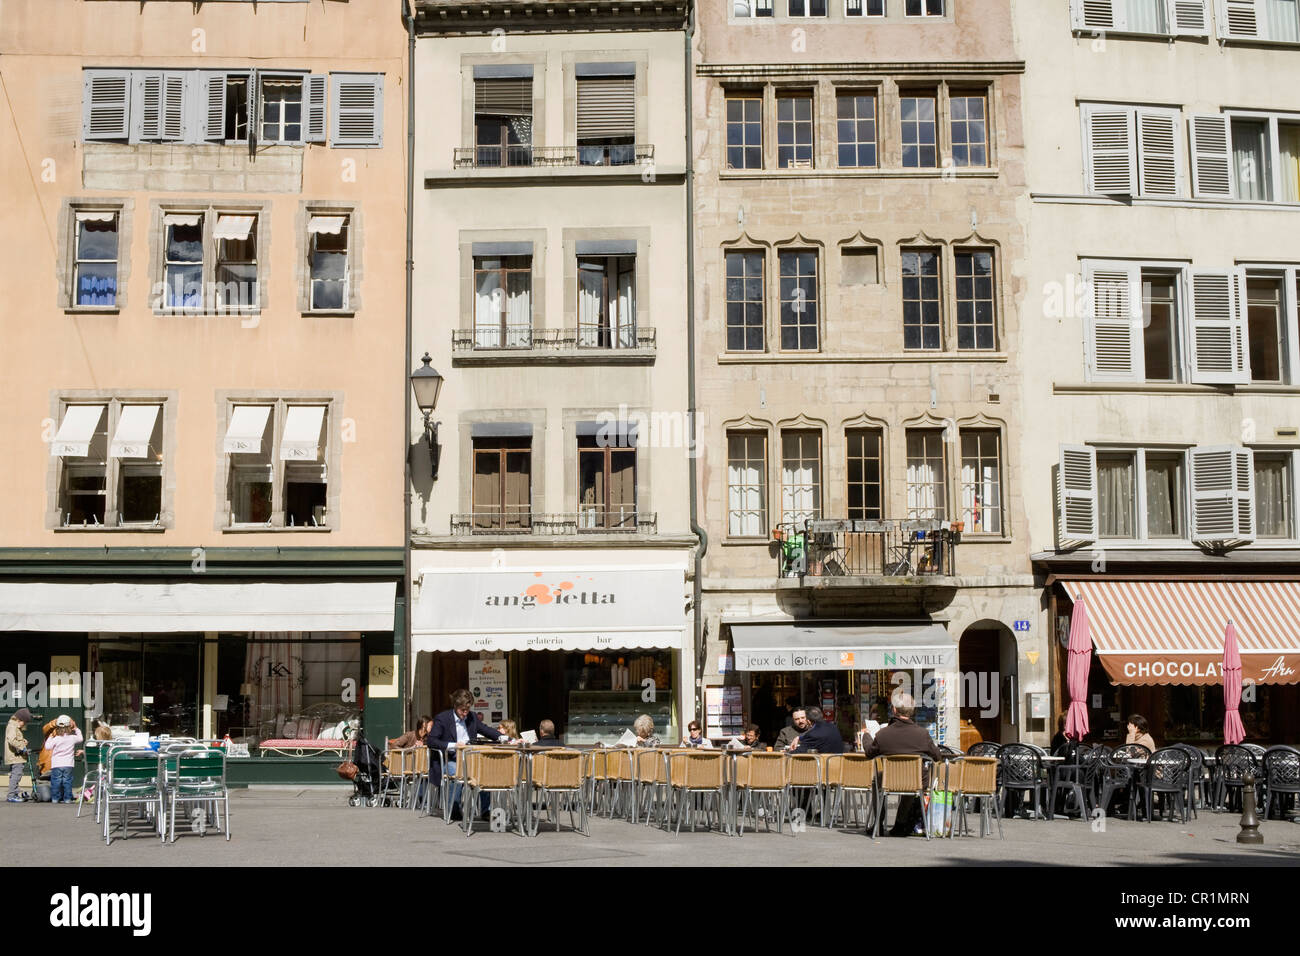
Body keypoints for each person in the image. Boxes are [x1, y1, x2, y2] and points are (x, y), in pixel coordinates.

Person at [863, 693, 941, 836]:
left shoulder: (883, 734)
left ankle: (879, 823)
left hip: (889, 780)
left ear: (894, 710)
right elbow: (937, 756)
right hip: (915, 781)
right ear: (912, 711)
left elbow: (869, 753)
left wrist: (866, 736)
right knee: (913, 780)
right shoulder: (922, 734)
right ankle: (900, 823)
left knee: (877, 781)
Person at [427, 690, 504, 820]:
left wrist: (506, 738)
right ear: (455, 707)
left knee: (484, 772)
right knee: (455, 770)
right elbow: (432, 741)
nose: (465, 713)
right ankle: (454, 808)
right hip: (450, 758)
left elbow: (487, 730)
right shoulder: (443, 718)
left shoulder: (472, 717)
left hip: (471, 759)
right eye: (462, 710)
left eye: (467, 709)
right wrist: (454, 745)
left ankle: (486, 810)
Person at [42, 715, 82, 804]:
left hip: (57, 764)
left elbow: (47, 746)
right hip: (68, 764)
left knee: (56, 782)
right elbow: (80, 738)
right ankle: (67, 799)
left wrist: (50, 737)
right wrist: (76, 728)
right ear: (69, 727)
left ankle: (55, 798)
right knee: (67, 782)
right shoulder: (72, 738)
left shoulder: (56, 738)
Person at [5, 708, 31, 803]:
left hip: (16, 756)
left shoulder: (14, 726)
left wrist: (23, 741)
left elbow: (16, 739)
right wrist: (22, 747)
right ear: (19, 720)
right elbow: (11, 740)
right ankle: (12, 795)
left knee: (15, 775)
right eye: (24, 723)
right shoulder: (13, 727)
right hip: (15, 756)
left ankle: (15, 792)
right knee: (16, 774)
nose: (24, 725)